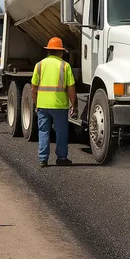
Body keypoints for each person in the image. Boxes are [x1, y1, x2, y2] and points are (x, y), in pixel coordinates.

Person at [31, 37, 77, 167]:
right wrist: (74, 105)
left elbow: (33, 87)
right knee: (61, 132)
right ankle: (62, 158)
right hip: (59, 105)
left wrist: (36, 103)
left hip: (43, 105)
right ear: (61, 52)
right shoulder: (65, 66)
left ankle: (43, 159)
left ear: (48, 51)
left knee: (43, 131)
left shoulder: (39, 65)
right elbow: (71, 88)